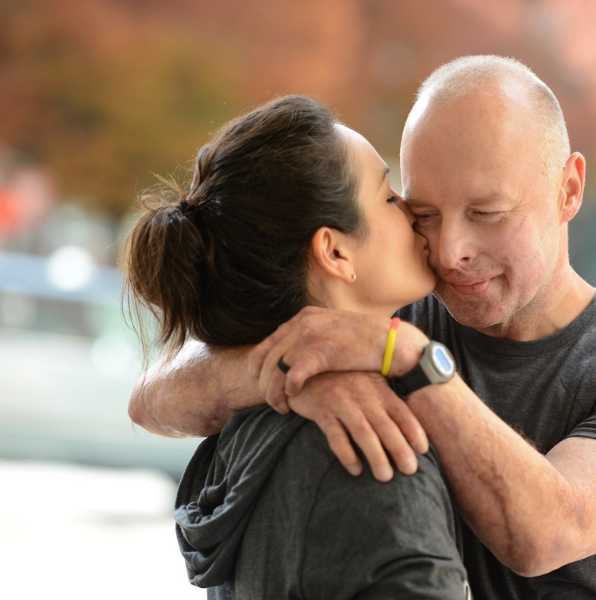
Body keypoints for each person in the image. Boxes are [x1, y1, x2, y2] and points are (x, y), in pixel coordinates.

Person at [131, 56, 596, 599]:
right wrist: (301, 373)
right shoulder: (381, 309)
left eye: (486, 214)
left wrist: (410, 360)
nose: (451, 251)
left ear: (569, 189)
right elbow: (151, 397)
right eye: (423, 213)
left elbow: (550, 533)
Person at [122, 95, 472, 599]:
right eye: (388, 197)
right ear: (334, 251)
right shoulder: (371, 443)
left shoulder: (242, 431)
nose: (414, 214)